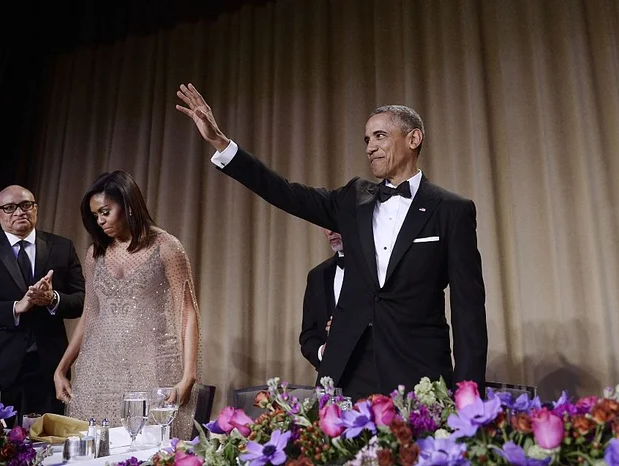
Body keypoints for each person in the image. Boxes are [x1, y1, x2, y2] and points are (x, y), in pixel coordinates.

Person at [175, 84, 487, 400]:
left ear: (414, 138)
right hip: (347, 370)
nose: (370, 147)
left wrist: (469, 393)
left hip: (417, 371)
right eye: (367, 139)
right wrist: (221, 143)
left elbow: (468, 311)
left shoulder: (451, 210)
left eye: (380, 136)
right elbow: (285, 192)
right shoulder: (354, 199)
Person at [53, 171, 201, 439]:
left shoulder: (166, 247)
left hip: (153, 367)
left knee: (149, 448)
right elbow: (90, 315)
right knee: (94, 448)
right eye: (96, 215)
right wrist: (62, 367)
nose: (100, 221)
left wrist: (189, 375)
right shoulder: (95, 254)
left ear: (129, 204)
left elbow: (187, 312)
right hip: (98, 370)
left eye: (106, 212)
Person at [0, 185, 85, 420]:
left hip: (47, 369)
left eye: (26, 205)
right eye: (9, 208)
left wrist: (52, 299)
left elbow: (82, 301)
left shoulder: (62, 247)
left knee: (46, 446)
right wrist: (15, 308)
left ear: (35, 208)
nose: (19, 212)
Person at [299, 229, 344, 371]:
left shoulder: (379, 270)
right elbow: (308, 334)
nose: (330, 232)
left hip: (375, 380)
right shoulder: (317, 276)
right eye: (324, 225)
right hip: (331, 378)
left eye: (334, 223)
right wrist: (322, 352)